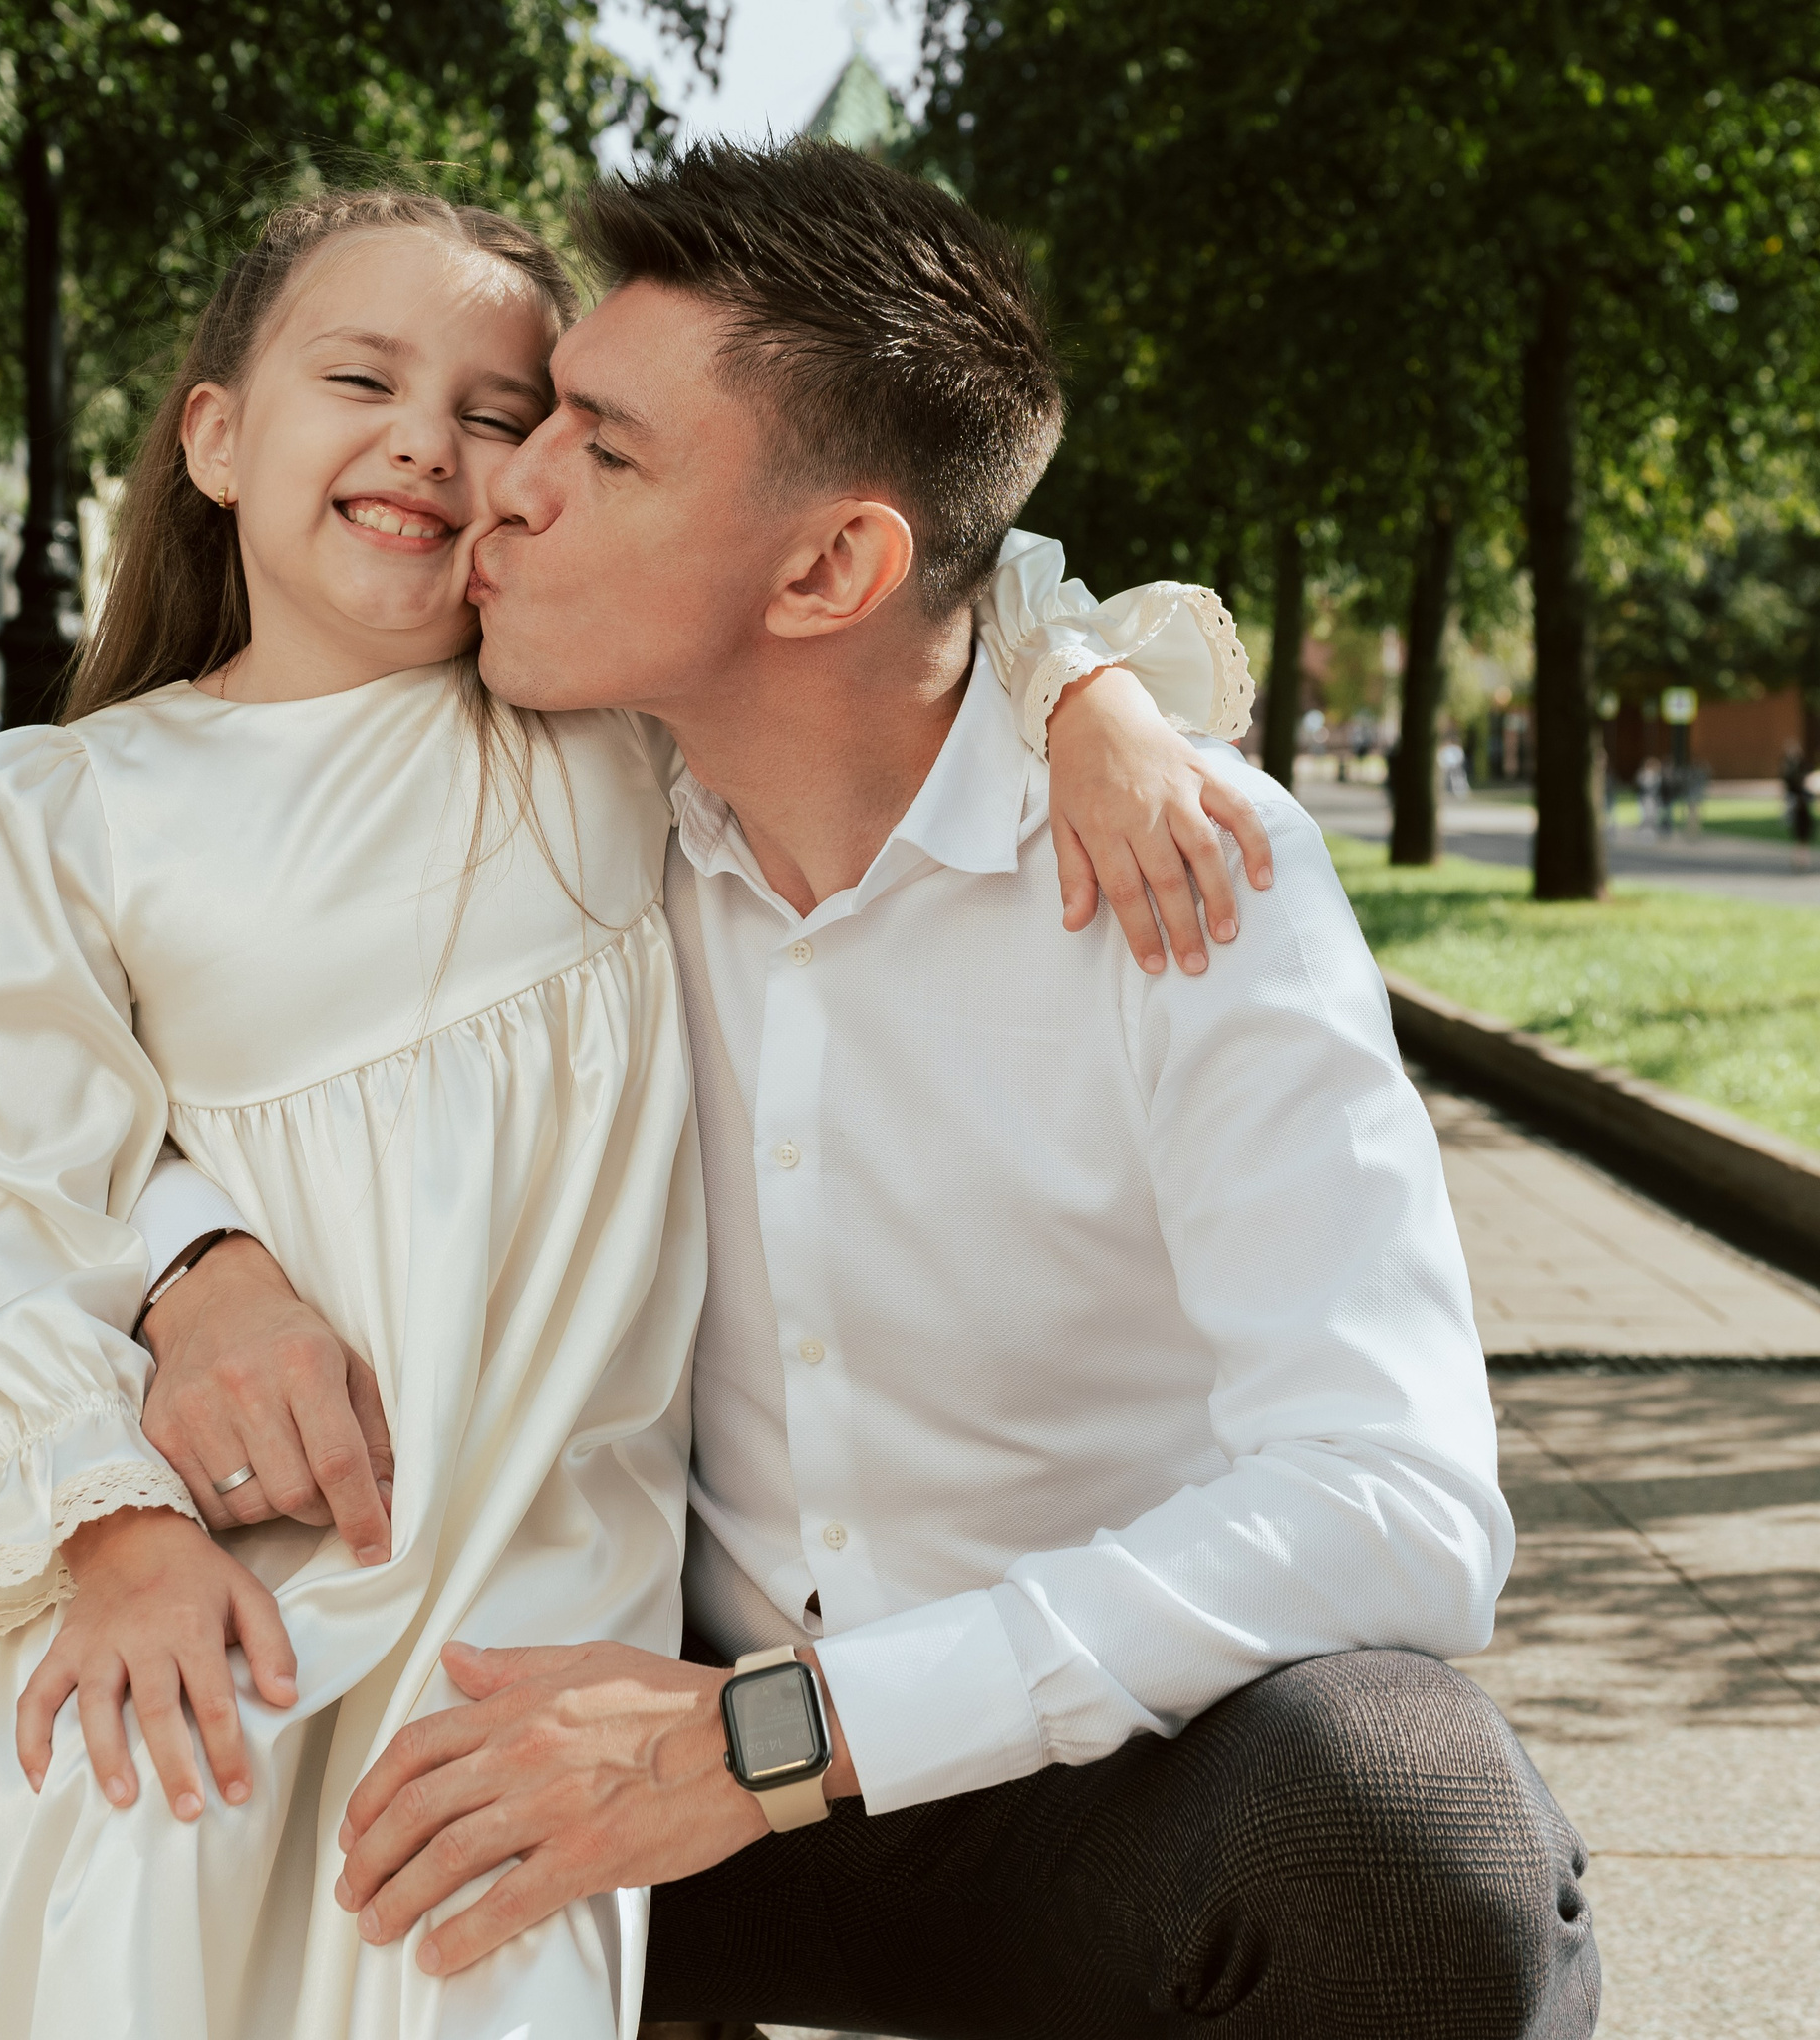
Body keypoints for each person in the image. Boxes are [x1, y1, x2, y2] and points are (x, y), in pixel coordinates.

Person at [0, 182, 1247, 2040]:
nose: (433, 442)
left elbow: (889, 559)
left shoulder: (600, 736)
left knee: (457, 1955)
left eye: (508, 414)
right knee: (130, 1919)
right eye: (359, 374)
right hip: (229, 1574)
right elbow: (5, 1179)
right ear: (211, 431)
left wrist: (1084, 691)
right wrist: (118, 1523)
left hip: (529, 1608)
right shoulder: (72, 799)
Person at [132, 143, 1596, 2038]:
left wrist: (779, 1737)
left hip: (1084, 1766)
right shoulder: (556, 825)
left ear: (829, 566)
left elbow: (1400, 1500)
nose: (511, 481)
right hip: (653, 1756)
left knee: (1407, 1840)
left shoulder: (1180, 868)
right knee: (250, 1803)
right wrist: (197, 1261)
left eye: (604, 446)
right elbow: (142, 1032)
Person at [1787, 746, 1813, 873]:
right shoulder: (1792, 770)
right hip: (1799, 808)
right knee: (1800, 835)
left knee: (1803, 836)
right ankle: (1800, 858)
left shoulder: (1802, 769)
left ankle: (1801, 858)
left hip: (1803, 811)